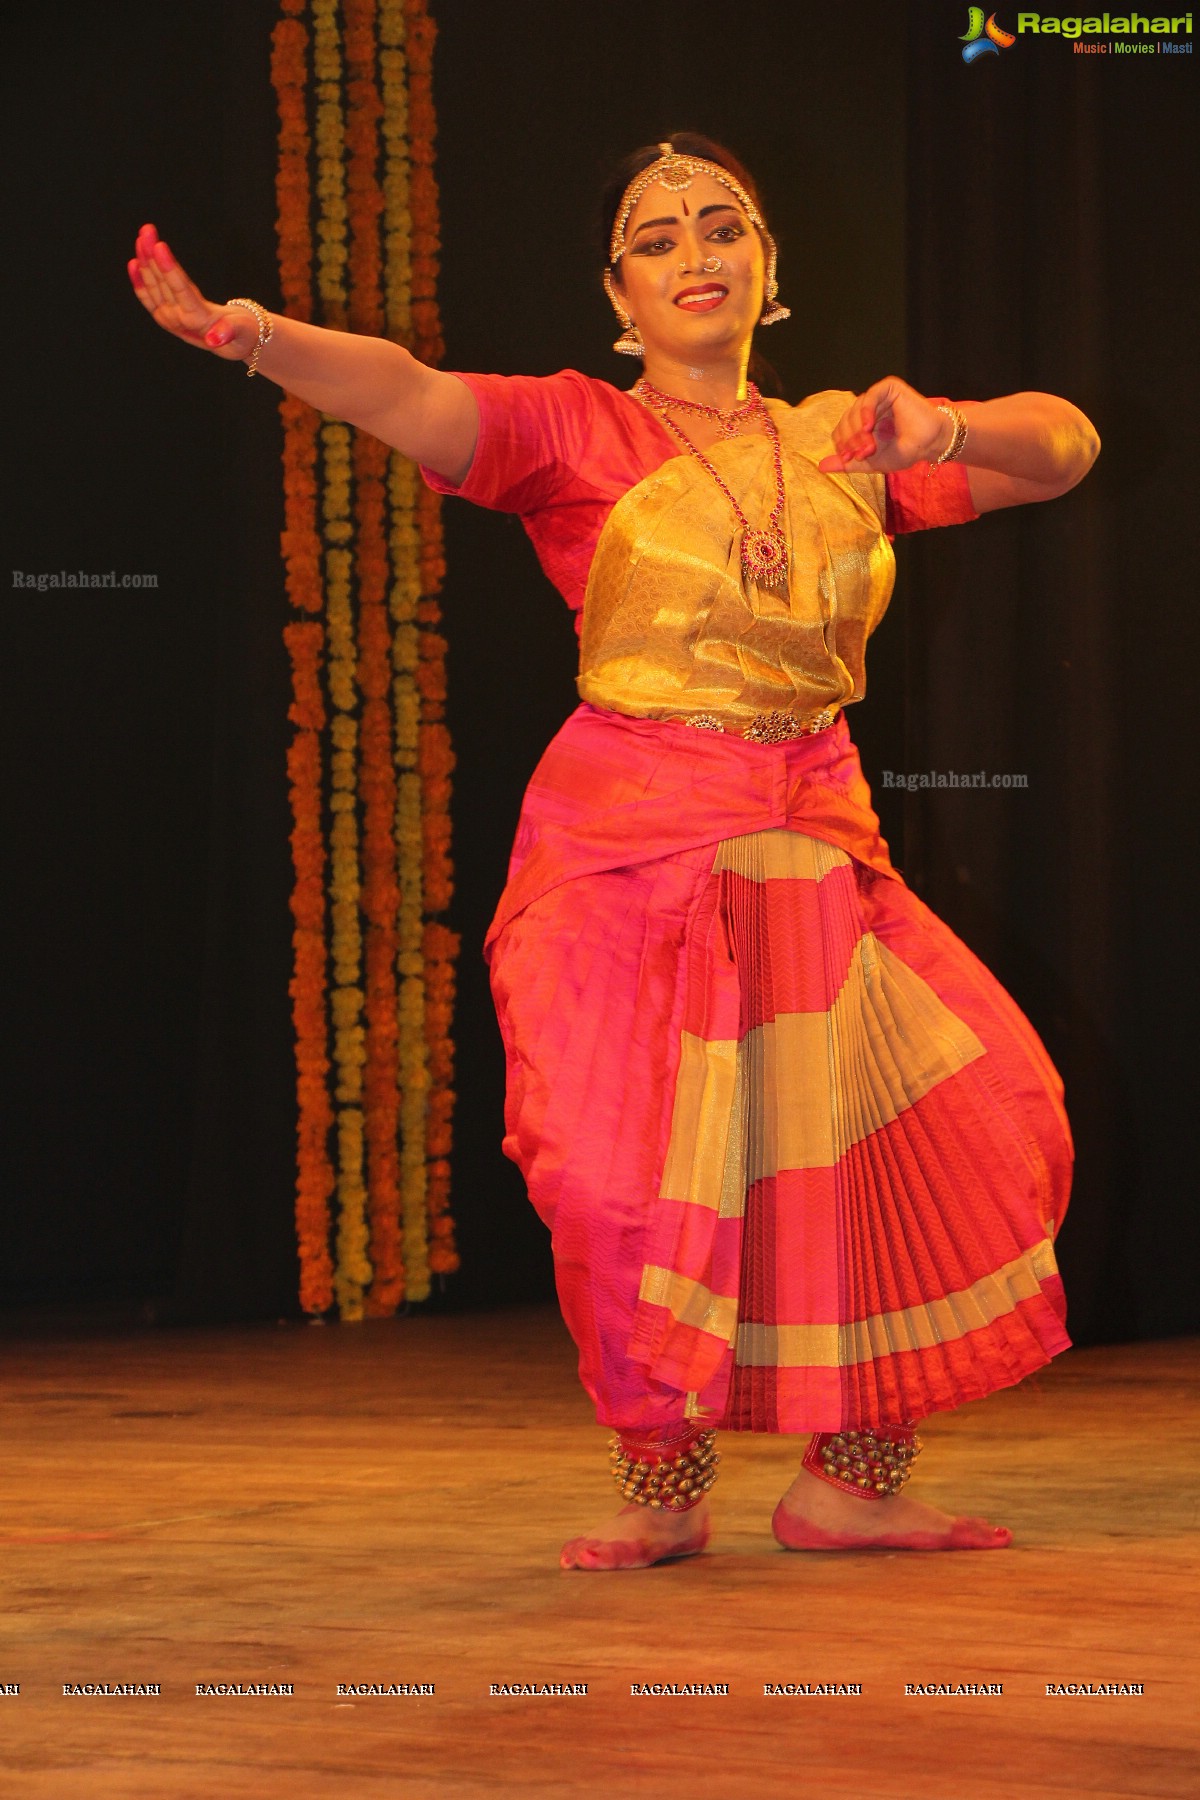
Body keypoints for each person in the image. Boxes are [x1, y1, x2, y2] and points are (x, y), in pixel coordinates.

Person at [128, 132, 1099, 1573]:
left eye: (725, 227)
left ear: (769, 274)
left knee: (962, 1124)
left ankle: (854, 1480)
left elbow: (1069, 448)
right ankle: (664, 1480)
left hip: (815, 838)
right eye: (659, 238)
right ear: (618, 293)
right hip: (623, 839)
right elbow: (405, 390)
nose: (696, 251)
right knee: (606, 1174)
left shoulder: (847, 438)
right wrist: (248, 335)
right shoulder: (571, 428)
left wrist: (940, 425)